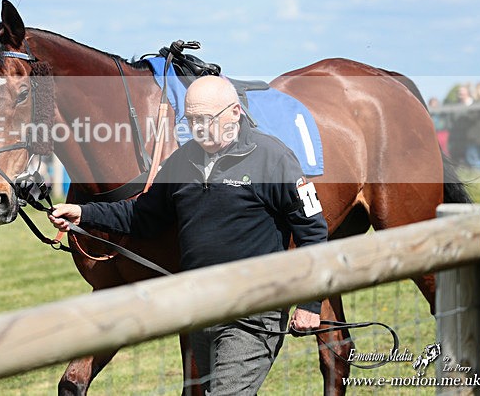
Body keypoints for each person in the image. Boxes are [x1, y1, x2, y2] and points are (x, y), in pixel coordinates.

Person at [48, 76, 328, 395]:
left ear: (235, 111)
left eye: (207, 119)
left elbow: (313, 231)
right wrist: (85, 214)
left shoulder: (273, 158)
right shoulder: (183, 161)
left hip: (252, 313)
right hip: (201, 312)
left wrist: (311, 303)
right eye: (191, 120)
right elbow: (142, 216)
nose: (198, 128)